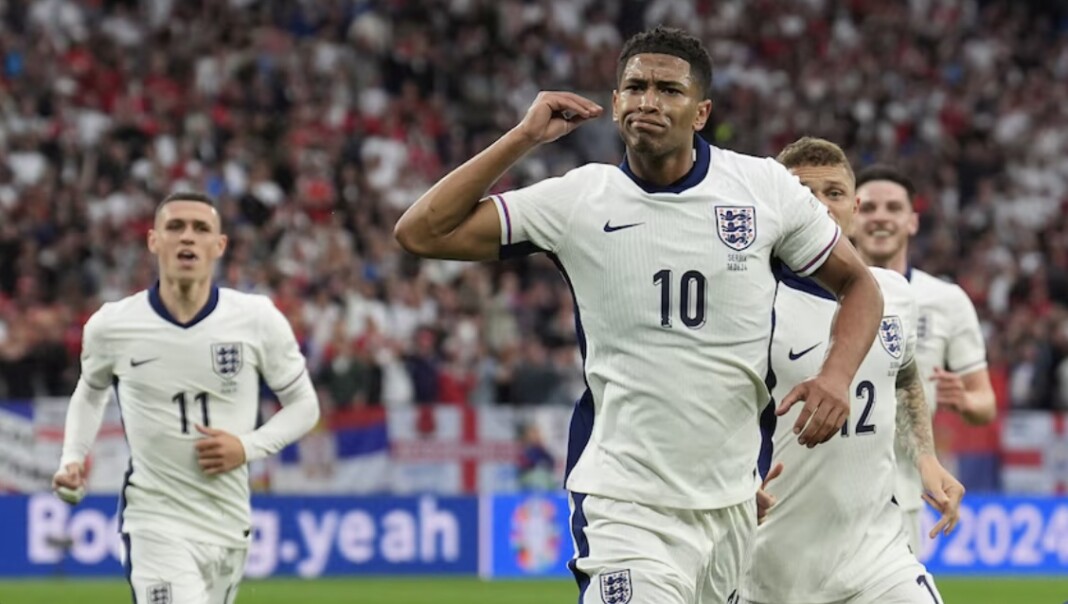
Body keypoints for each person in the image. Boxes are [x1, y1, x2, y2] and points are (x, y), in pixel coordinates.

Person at [395, 26, 884, 604]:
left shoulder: (763, 189)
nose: (648, 101)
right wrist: (523, 137)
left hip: (730, 504)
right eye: (635, 87)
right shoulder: (577, 200)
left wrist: (836, 375)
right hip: (622, 504)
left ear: (701, 112)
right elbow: (422, 232)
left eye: (668, 90)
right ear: (615, 101)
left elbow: (859, 284)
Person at [52, 192, 320, 604]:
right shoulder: (112, 325)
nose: (187, 237)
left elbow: (305, 406)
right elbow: (90, 392)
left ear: (219, 245)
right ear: (154, 241)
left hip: (228, 523)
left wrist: (246, 447)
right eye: (175, 227)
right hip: (154, 521)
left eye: (201, 228)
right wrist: (72, 458)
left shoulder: (257, 319)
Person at [740, 138, 964, 604]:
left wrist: (925, 458)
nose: (821, 206)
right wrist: (732, 486)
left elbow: (904, 376)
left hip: (878, 559)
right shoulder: (748, 302)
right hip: (769, 569)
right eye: (804, 193)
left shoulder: (892, 292)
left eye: (835, 193)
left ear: (855, 208)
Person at [851, 165, 996, 554]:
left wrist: (965, 400)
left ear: (912, 221)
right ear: (850, 216)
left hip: (904, 490)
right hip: (823, 483)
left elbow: (985, 403)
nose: (881, 217)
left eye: (894, 208)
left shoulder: (946, 300)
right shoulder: (818, 290)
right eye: (868, 207)